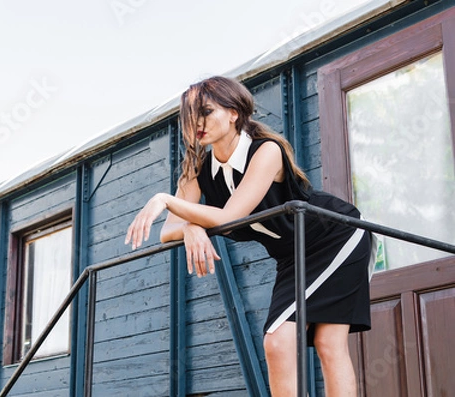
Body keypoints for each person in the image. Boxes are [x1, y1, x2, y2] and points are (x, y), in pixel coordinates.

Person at [125, 76, 375, 396]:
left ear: (233, 113)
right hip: (290, 255)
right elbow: (167, 232)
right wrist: (192, 227)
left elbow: (231, 218)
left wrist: (165, 199)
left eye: (207, 111)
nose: (197, 123)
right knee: (318, 342)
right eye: (190, 116)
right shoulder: (196, 167)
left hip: (336, 233)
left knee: (286, 341)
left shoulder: (266, 150)